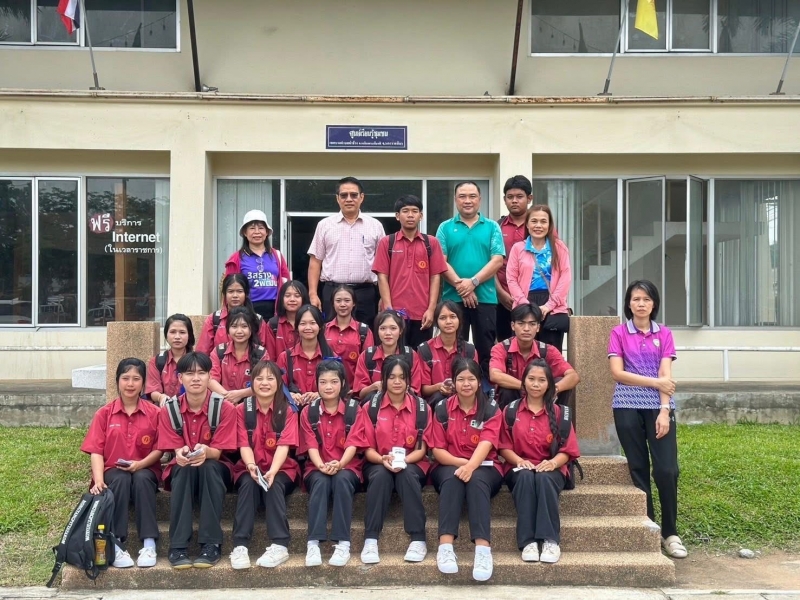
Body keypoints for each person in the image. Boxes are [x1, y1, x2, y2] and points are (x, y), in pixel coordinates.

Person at [608, 280, 685, 559]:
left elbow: (666, 375)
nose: (641, 304)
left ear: (654, 304)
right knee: (638, 467)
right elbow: (618, 373)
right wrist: (655, 383)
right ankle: (650, 527)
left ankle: (670, 532)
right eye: (636, 299)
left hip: (658, 406)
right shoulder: (618, 333)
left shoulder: (664, 333)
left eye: (646, 299)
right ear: (628, 304)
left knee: (667, 469)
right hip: (626, 405)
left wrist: (664, 411)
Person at [348, 355, 432, 565]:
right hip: (378, 461)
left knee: (406, 475)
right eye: (392, 377)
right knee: (381, 476)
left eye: (402, 377)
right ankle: (370, 538)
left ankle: (418, 538)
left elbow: (421, 449)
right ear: (384, 379)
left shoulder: (422, 408)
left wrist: (404, 461)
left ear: (408, 380)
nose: (397, 382)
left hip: (412, 462)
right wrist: (382, 459)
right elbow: (368, 449)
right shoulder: (371, 407)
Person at [156, 352, 237, 569]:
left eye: (201, 373)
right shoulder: (170, 409)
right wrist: (180, 451)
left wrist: (205, 451)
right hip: (184, 468)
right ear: (179, 377)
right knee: (183, 468)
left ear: (210, 376)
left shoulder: (224, 407)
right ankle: (178, 546)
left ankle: (211, 544)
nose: (196, 378)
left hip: (216, 468)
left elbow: (218, 452)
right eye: (189, 373)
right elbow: (174, 446)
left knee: (208, 466)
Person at [425, 357, 503, 582]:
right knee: (452, 478)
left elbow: (486, 444)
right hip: (449, 463)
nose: (466, 384)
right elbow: (437, 450)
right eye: (461, 379)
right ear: (453, 381)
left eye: (471, 379)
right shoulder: (442, 408)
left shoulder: (491, 409)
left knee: (477, 480)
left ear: (479, 382)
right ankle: (445, 547)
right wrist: (463, 465)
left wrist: (470, 466)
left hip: (485, 466)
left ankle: (483, 550)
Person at [81, 357, 162, 569]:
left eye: (136, 378)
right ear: (117, 381)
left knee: (142, 478)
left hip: (146, 468)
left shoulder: (155, 413)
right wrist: (99, 480)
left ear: (143, 383)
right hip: (113, 472)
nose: (130, 383)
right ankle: (116, 544)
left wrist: (140, 464)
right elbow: (96, 450)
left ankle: (149, 543)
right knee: (120, 478)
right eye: (125, 378)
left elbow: (160, 449)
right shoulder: (104, 414)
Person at [498, 360, 580, 564]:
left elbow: (568, 450)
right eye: (531, 379)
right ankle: (528, 542)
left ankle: (550, 540)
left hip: (552, 466)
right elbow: (503, 446)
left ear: (549, 384)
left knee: (544, 478)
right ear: (523, 381)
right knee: (525, 477)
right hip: (518, 466)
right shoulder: (510, 410)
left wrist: (553, 463)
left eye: (542, 380)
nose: (536, 384)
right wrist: (519, 460)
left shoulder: (560, 413)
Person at [229, 360, 299, 570]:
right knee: (248, 484)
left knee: (273, 483)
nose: (265, 383)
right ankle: (240, 546)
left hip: (282, 467)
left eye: (270, 378)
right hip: (249, 466)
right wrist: (251, 466)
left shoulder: (287, 410)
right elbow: (243, 444)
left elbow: (284, 446)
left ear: (279, 383)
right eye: (259, 378)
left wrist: (273, 471)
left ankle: (280, 545)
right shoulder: (242, 409)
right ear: (252, 382)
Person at [436, 181, 505, 380]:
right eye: (462, 196)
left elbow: (497, 260)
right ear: (455, 199)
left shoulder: (492, 227)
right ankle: (456, 388)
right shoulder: (445, 227)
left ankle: (487, 390)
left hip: (485, 298)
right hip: (453, 300)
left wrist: (473, 282)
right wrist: (462, 286)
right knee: (455, 349)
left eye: (472, 196)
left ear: (479, 199)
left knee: (486, 348)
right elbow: (440, 261)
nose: (467, 201)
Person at [299, 359, 362, 567]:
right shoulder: (309, 411)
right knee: (321, 481)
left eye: (334, 381)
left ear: (342, 383)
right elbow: (310, 445)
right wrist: (321, 466)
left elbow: (353, 443)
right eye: (323, 382)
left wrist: (340, 464)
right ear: (316, 384)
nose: (328, 387)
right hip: (317, 465)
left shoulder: (354, 409)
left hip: (348, 466)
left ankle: (343, 543)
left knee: (342, 480)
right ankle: (313, 543)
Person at [307, 176, 386, 325]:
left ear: (362, 197)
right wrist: (312, 294)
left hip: (365, 293)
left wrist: (384, 297)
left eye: (354, 195)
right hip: (332, 292)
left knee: (365, 333)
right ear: (337, 198)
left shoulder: (375, 226)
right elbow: (315, 262)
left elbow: (384, 266)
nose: (349, 199)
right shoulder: (324, 225)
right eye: (344, 195)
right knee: (331, 332)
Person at [372, 194, 448, 348]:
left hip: (422, 314)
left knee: (421, 356)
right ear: (397, 216)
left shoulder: (431, 243)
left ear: (421, 215)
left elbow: (435, 278)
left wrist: (431, 309)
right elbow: (382, 277)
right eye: (405, 211)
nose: (410, 215)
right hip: (396, 314)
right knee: (394, 356)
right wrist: (389, 310)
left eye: (414, 211)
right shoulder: (387, 242)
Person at [506, 204, 572, 353]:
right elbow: (511, 279)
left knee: (550, 352)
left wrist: (549, 305)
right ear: (527, 224)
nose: (538, 225)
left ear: (549, 225)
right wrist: (525, 304)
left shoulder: (559, 247)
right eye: (534, 221)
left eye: (543, 221)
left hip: (552, 304)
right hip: (525, 301)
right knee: (524, 351)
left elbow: (565, 277)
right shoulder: (518, 248)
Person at [489, 304, 580, 409]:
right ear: (513, 326)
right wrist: (526, 386)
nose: (526, 329)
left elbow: (573, 376)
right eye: (521, 323)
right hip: (514, 401)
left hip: (541, 398)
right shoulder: (501, 348)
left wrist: (555, 388)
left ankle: (555, 418)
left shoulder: (548, 350)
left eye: (532, 324)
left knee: (561, 383)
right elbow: (495, 375)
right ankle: (508, 420)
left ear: (538, 327)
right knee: (506, 390)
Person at [224, 209, 290, 321]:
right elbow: (229, 289)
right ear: (245, 233)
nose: (257, 232)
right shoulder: (236, 258)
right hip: (247, 312)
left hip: (275, 312)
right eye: (252, 228)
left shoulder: (277, 255)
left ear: (267, 232)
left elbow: (286, 284)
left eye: (261, 228)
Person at [353, 310, 423, 403]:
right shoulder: (367, 355)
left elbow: (415, 391)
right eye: (383, 328)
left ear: (401, 330)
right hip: (375, 405)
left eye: (393, 328)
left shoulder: (411, 355)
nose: (388, 333)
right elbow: (360, 394)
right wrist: (374, 386)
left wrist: (395, 387)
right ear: (377, 331)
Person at [418, 300, 477, 406]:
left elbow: (475, 382)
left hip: (464, 397)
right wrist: (439, 387)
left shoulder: (469, 349)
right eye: (443, 318)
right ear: (436, 322)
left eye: (453, 317)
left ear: (459, 320)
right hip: (436, 402)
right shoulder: (425, 349)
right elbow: (423, 389)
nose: (448, 321)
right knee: (439, 397)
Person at [495, 176, 532, 342]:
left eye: (519, 196)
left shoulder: (540, 226)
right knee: (504, 345)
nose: (514, 201)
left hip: (533, 298)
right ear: (504, 200)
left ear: (529, 198)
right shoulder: (497, 227)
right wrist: (500, 293)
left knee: (533, 346)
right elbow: (491, 263)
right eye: (510, 197)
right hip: (503, 299)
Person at [276, 304, 335, 407]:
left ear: (320, 326)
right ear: (297, 327)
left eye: (312, 323)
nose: (308, 327)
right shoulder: (285, 357)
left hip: (322, 410)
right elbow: (279, 386)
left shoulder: (331, 356)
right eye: (303, 323)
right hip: (293, 409)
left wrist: (320, 394)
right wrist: (290, 395)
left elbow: (338, 387)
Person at [196, 274, 268, 355]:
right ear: (224, 294)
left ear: (246, 293)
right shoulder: (214, 319)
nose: (235, 296)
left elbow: (266, 354)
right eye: (230, 291)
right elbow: (201, 354)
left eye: (239, 291)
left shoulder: (257, 320)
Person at [209, 307, 268, 405]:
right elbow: (211, 379)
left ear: (251, 329)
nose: (239, 331)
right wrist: (229, 399)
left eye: (244, 326)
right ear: (228, 329)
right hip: (223, 404)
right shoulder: (219, 351)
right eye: (234, 326)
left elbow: (265, 384)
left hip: (252, 406)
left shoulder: (261, 353)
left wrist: (240, 394)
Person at [324, 284, 374, 386]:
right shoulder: (323, 329)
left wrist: (357, 388)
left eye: (347, 300)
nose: (342, 304)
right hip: (327, 388)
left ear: (354, 303)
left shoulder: (364, 331)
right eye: (338, 301)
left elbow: (367, 363)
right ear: (333, 303)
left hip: (354, 389)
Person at [146, 314, 195, 406]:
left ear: (189, 335)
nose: (177, 337)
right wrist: (160, 397)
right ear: (166, 335)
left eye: (182, 332)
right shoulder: (157, 361)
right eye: (172, 332)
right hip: (165, 409)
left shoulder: (197, 361)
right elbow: (152, 391)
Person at [265, 280, 310, 362]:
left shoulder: (311, 323)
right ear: (281, 299)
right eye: (287, 296)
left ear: (304, 299)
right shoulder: (273, 324)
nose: (292, 299)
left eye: (297, 296)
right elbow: (271, 358)